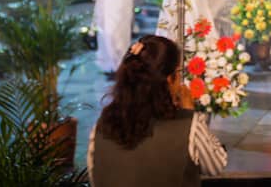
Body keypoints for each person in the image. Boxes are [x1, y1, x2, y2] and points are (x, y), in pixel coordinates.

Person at [88, 35, 227, 186]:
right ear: (169, 79)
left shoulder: (101, 126)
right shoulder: (186, 125)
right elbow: (215, 166)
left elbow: (94, 176)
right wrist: (189, 112)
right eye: (179, 72)